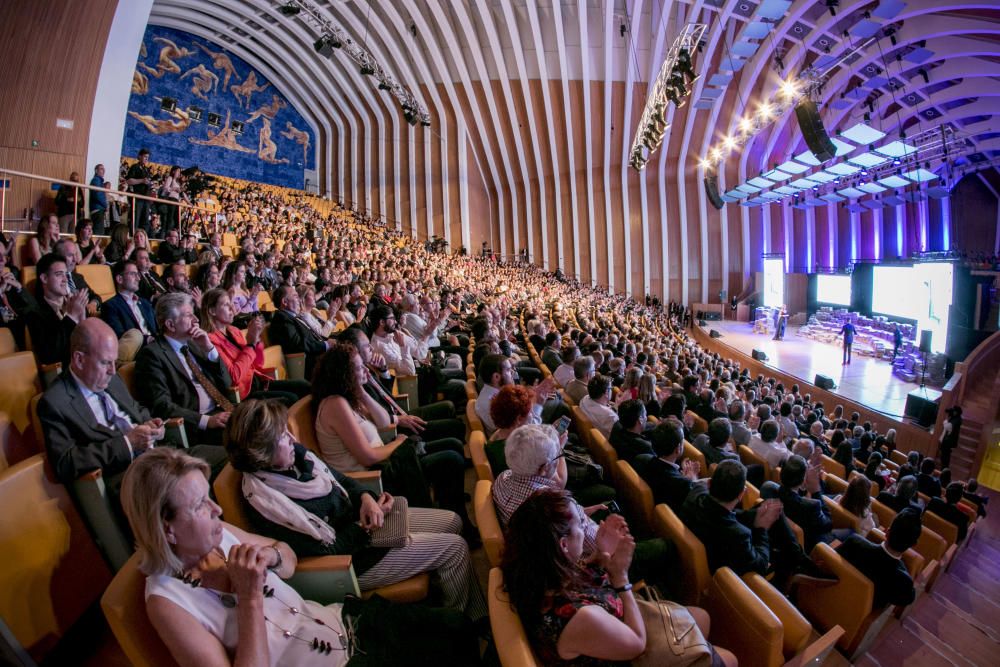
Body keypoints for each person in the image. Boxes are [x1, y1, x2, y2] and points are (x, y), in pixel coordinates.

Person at [120, 448, 483, 667]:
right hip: (332, 661)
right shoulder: (167, 602)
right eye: (200, 505)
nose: (217, 509)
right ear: (166, 528)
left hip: (341, 624)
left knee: (459, 629)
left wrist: (271, 557)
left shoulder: (221, 535)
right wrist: (248, 597)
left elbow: (289, 557)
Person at [223, 399, 486, 620]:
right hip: (354, 560)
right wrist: (364, 525)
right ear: (262, 453)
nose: (292, 438)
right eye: (282, 435)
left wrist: (368, 501)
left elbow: (344, 481)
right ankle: (464, 623)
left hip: (366, 526)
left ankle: (442, 596)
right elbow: (327, 550)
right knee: (455, 549)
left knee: (453, 521)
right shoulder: (266, 503)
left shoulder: (297, 458)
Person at [500, 489, 736, 667]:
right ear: (563, 545)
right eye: (581, 524)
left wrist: (601, 554)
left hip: (614, 625)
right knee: (730, 659)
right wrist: (621, 577)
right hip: (628, 646)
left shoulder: (538, 569)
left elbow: (579, 584)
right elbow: (636, 645)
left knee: (701, 618)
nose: (585, 528)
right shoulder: (579, 617)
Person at [311, 344, 474, 538]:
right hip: (373, 478)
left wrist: (362, 389)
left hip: (384, 462)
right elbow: (368, 456)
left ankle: (455, 521)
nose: (365, 369)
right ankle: (455, 528)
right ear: (343, 374)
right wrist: (397, 442)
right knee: (450, 459)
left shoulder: (348, 398)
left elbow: (383, 421)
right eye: (359, 367)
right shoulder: (335, 404)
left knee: (451, 453)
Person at [493, 424, 674, 595]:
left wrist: (583, 512)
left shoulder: (503, 477)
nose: (559, 460)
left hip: (570, 546)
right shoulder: (553, 506)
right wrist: (612, 545)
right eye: (557, 457)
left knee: (611, 505)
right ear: (544, 468)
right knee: (665, 546)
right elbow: (585, 548)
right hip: (599, 558)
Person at [134, 292, 233, 447]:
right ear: (170, 325)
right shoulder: (151, 355)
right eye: (188, 316)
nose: (196, 320)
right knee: (253, 435)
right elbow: (163, 406)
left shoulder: (195, 344)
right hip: (196, 426)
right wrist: (207, 421)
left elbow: (227, 383)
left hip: (223, 410)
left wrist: (209, 349)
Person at [201, 288, 307, 404]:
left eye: (231, 303)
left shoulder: (234, 330)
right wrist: (251, 344)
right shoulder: (210, 340)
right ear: (212, 311)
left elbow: (258, 364)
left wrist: (256, 339)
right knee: (291, 399)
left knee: (304, 386)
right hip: (245, 394)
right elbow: (234, 377)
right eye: (226, 305)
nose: (232, 308)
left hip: (259, 382)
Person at [835, 508, 922, 609]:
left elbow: (833, 561)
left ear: (887, 532)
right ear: (914, 544)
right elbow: (908, 598)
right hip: (856, 613)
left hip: (835, 596)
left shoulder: (854, 542)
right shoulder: (904, 581)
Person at [25, 252, 89, 367]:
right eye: (59, 274)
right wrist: (71, 317)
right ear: (44, 278)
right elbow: (49, 355)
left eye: (66, 274)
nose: (65, 279)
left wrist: (82, 318)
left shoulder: (76, 304)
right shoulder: (34, 314)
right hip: (64, 373)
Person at [269, 284, 334, 380]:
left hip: (318, 354)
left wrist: (328, 341)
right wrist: (325, 345)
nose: (300, 300)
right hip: (308, 363)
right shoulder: (282, 319)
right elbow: (298, 344)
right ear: (284, 302)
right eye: (295, 296)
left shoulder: (292, 317)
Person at [641, 417, 702, 512]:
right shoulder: (683, 484)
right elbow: (696, 504)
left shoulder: (646, 461)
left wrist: (681, 475)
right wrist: (693, 479)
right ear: (678, 448)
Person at [101, 259, 157, 361]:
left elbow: (157, 328)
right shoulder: (110, 306)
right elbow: (120, 336)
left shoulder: (145, 303)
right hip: (136, 352)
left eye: (138, 274)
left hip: (156, 347)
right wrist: (147, 340)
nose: (138, 278)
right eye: (133, 274)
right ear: (119, 279)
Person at [776, 455, 834, 550]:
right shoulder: (812, 506)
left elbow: (794, 493)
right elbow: (828, 525)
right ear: (803, 480)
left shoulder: (770, 488)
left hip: (782, 539)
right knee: (850, 532)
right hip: (808, 546)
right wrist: (816, 491)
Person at [608, 399, 654, 468]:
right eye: (645, 415)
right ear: (640, 420)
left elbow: (648, 425)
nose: (646, 418)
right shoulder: (645, 447)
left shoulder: (616, 426)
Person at [579, 373, 619, 438]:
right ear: (606, 392)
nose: (611, 390)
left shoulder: (584, 399)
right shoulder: (610, 416)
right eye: (611, 388)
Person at [125, 148, 154, 233]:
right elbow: (129, 181)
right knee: (136, 219)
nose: (146, 159)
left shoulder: (147, 169)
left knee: (145, 221)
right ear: (139, 157)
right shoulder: (135, 167)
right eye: (145, 157)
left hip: (146, 198)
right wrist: (141, 180)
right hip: (138, 198)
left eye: (147, 157)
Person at [89, 164, 108, 234]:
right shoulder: (96, 180)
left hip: (98, 208)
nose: (103, 170)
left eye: (104, 169)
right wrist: (106, 205)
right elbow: (98, 195)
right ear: (96, 171)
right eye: (101, 169)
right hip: (97, 209)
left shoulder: (98, 181)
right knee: (98, 232)